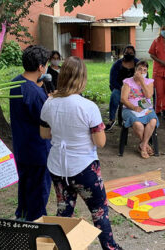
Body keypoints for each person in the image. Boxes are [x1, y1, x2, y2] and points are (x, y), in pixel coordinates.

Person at [40, 56, 122, 250]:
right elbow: (100, 142)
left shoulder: (49, 104)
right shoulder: (88, 107)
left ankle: (57, 247)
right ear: (82, 78)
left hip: (58, 167)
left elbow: (44, 133)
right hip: (84, 168)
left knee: (64, 210)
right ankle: (110, 248)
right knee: (99, 211)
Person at [10, 45, 51, 221]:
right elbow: (46, 120)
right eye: (46, 65)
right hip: (38, 150)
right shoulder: (35, 93)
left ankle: (22, 216)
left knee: (25, 186)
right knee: (39, 189)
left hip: (21, 147)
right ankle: (35, 222)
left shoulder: (15, 82)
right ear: (41, 67)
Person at [121, 61, 159, 159]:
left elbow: (148, 95)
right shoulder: (128, 82)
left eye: (145, 70)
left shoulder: (149, 82)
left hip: (146, 109)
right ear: (135, 70)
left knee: (153, 120)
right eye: (140, 69)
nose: (142, 72)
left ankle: (143, 146)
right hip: (129, 109)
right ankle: (145, 145)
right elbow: (123, 99)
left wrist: (142, 81)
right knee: (138, 125)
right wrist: (134, 108)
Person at [106, 45, 139, 131]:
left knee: (143, 100)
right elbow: (112, 81)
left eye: (131, 53)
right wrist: (123, 89)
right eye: (126, 52)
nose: (129, 54)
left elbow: (144, 77)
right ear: (123, 53)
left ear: (134, 54)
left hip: (135, 89)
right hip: (119, 88)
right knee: (114, 96)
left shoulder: (138, 64)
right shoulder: (117, 64)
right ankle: (112, 119)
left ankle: (140, 119)